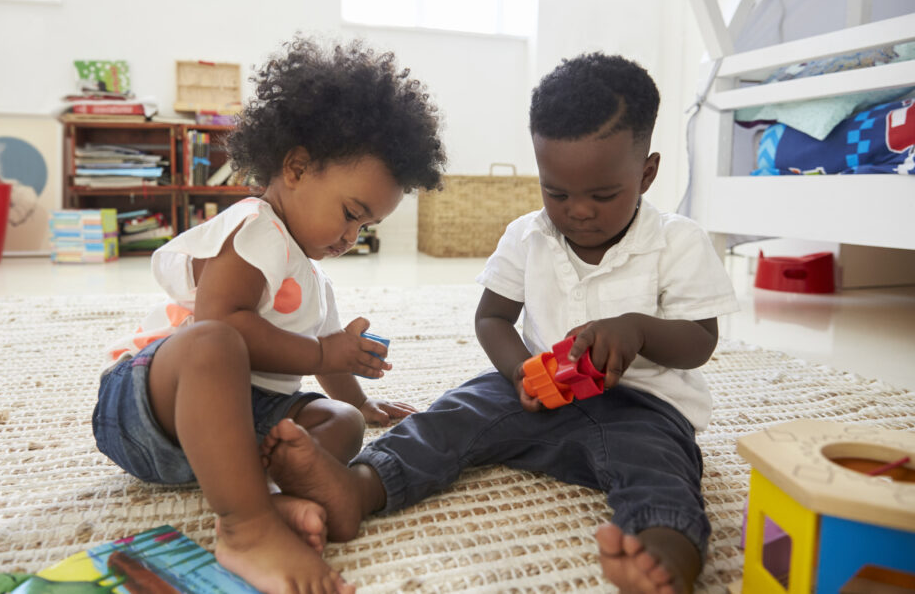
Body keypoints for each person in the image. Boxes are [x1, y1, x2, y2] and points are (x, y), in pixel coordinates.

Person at [260, 52, 739, 594]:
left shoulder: (678, 241)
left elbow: (701, 341)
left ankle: (663, 558)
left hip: (643, 410)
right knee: (452, 415)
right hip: (534, 395)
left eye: (603, 195)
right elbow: (492, 317)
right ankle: (359, 487)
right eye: (556, 192)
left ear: (647, 173)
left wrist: (639, 329)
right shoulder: (527, 235)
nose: (578, 210)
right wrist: (518, 373)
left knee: (664, 471)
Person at [92, 35, 446, 594]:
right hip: (153, 408)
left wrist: (358, 399)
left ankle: (272, 497)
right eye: (351, 215)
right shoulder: (255, 227)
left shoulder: (314, 279)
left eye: (365, 229)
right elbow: (221, 320)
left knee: (341, 424)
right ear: (297, 166)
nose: (351, 238)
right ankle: (247, 528)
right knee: (215, 345)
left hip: (240, 425)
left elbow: (328, 357)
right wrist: (323, 352)